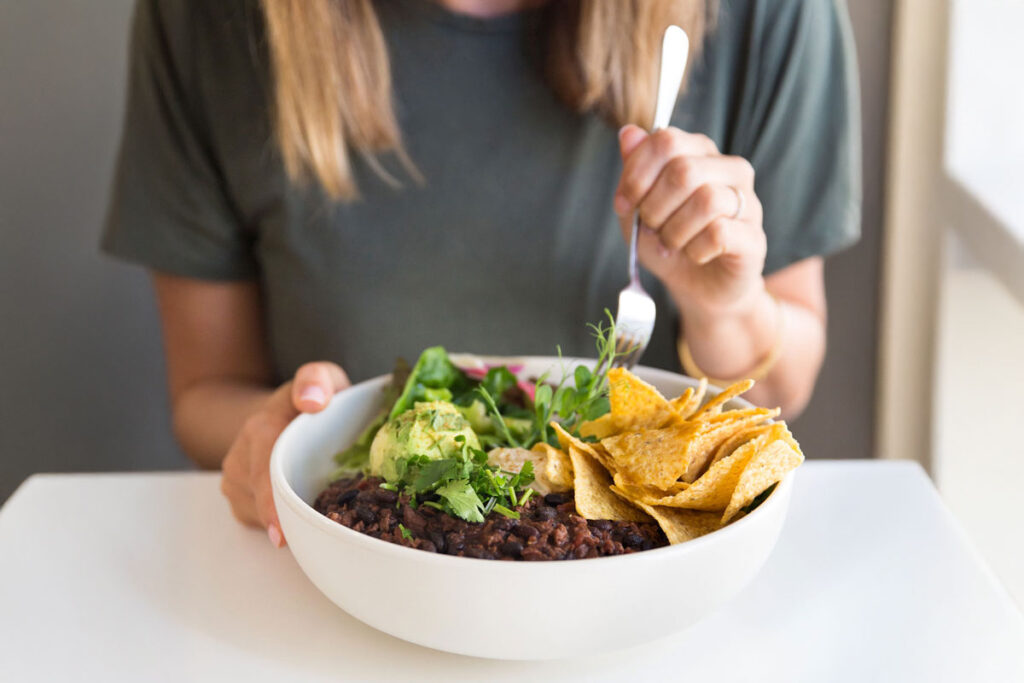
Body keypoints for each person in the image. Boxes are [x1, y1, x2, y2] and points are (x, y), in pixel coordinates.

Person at [103, 0, 860, 547]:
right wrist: (274, 437)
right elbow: (204, 393)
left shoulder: (770, 15)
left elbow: (780, 389)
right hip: (333, 601)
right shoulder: (207, 21)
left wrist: (721, 305)